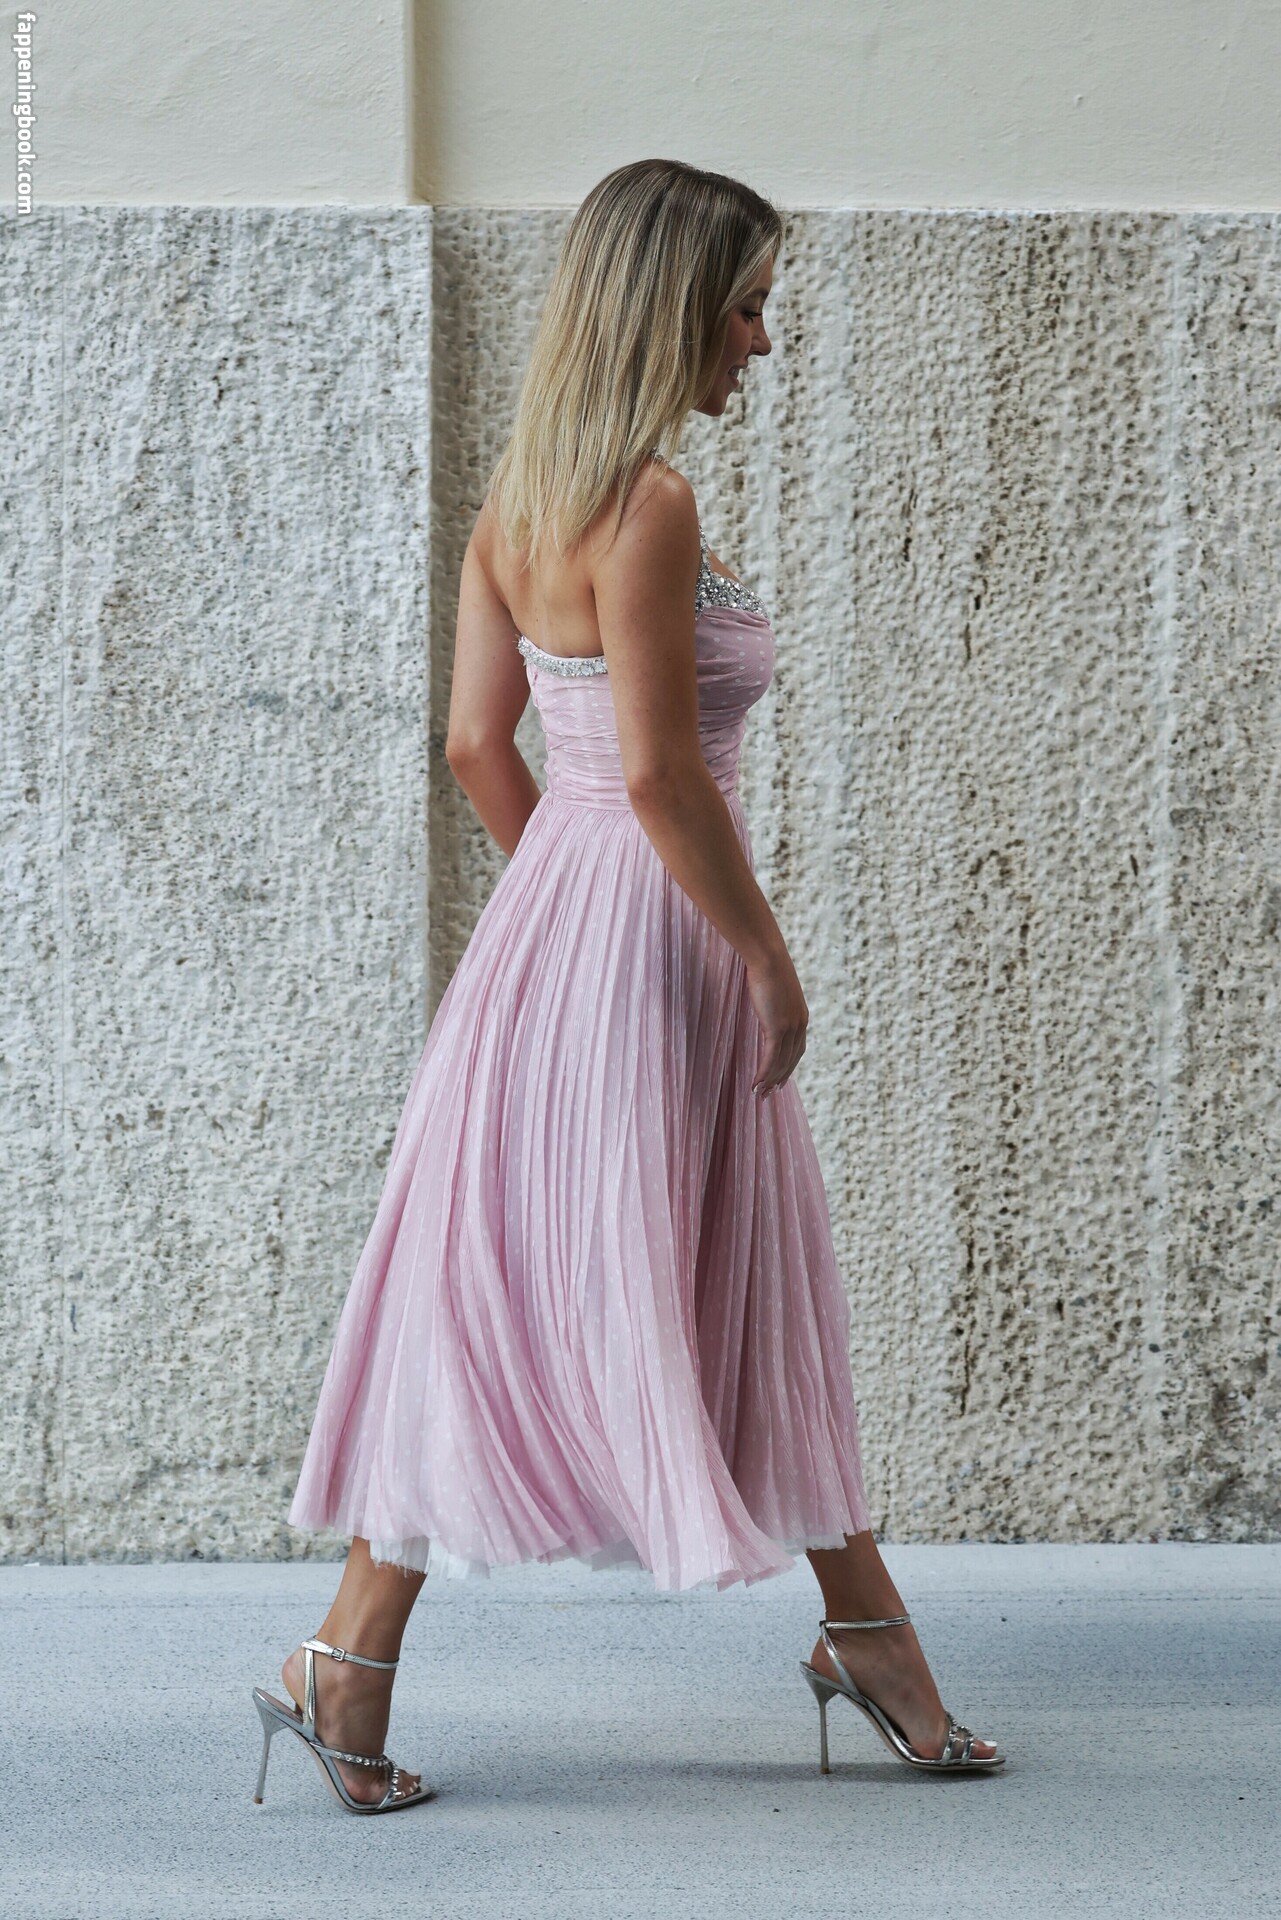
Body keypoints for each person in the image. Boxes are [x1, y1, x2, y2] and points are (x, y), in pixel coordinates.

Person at [250, 158, 1005, 1814]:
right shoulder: (647, 505)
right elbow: (661, 775)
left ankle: (344, 1668)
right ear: (669, 309)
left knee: (510, 1280)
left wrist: (562, 912)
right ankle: (865, 1643)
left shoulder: (518, 502)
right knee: (727, 1272)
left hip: (555, 931)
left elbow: (478, 744)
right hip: (663, 935)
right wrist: (763, 956)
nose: (759, 343)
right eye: (744, 309)